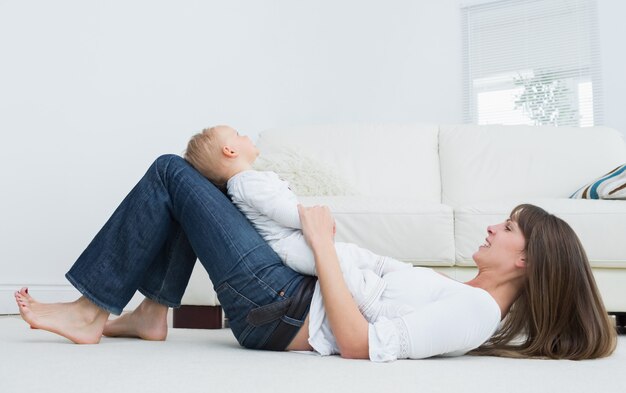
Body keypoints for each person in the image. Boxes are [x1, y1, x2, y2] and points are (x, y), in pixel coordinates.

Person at [13, 148, 616, 361]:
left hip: (283, 311)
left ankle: (92, 312)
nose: (493, 227)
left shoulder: (476, 314)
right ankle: (150, 312)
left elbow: (358, 345)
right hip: (286, 296)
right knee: (202, 186)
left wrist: (324, 246)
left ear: (527, 260)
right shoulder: (469, 297)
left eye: (508, 227)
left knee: (174, 172)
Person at [184, 125, 412, 328]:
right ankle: (375, 309)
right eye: (238, 134)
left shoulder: (249, 180)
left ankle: (390, 269)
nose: (245, 135)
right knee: (340, 268)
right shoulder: (246, 183)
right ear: (230, 151)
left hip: (295, 239)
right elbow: (282, 212)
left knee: (348, 254)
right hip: (289, 246)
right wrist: (312, 219)